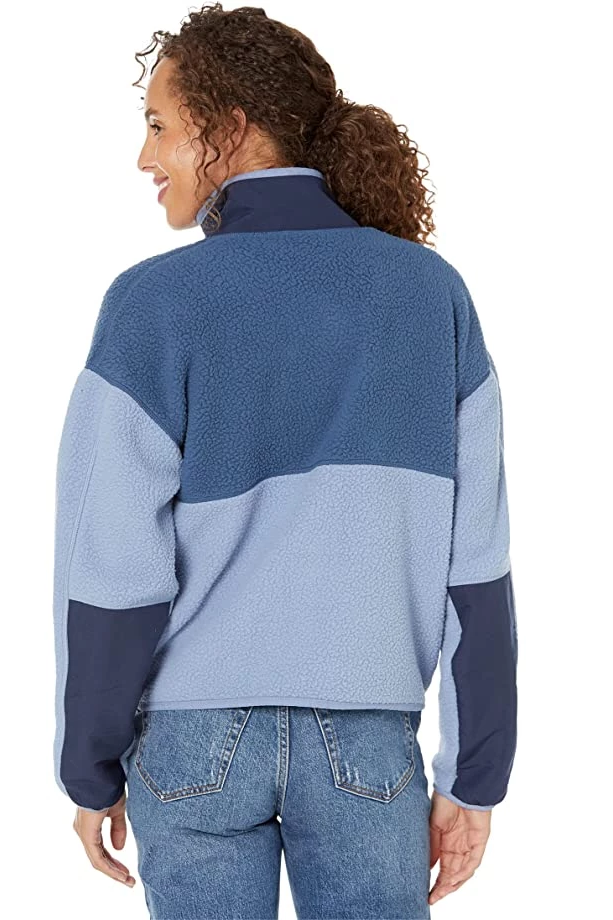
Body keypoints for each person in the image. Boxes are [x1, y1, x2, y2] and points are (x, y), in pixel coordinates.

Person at [52, 5, 518, 918]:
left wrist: (90, 764)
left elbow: (111, 572)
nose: (145, 158)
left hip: (190, 746)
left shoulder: (152, 304)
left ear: (228, 129)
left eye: (159, 126)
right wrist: (474, 779)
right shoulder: (432, 295)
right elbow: (478, 568)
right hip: (369, 747)